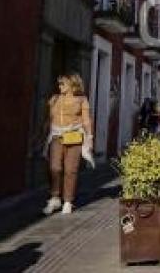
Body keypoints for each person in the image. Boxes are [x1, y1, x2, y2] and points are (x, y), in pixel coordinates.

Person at [41, 74, 94, 215]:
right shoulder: (54, 99)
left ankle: (68, 201)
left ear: (73, 85)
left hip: (74, 137)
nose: (60, 86)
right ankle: (54, 197)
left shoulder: (81, 100)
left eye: (63, 84)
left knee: (70, 170)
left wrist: (89, 138)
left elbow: (87, 120)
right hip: (57, 136)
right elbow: (48, 119)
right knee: (55, 168)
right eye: (59, 84)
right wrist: (41, 135)